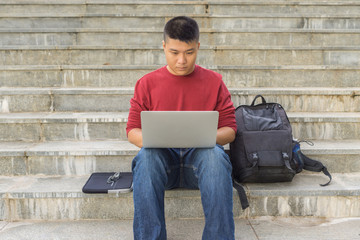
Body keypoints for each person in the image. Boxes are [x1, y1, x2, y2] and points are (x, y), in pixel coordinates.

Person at [126, 16, 237, 240]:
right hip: (162, 166)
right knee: (146, 157)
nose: (181, 61)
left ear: (198, 46)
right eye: (174, 52)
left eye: (189, 52)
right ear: (164, 46)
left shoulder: (214, 81)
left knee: (215, 156)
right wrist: (156, 139)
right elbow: (132, 131)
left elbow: (230, 130)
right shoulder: (146, 83)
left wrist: (204, 138)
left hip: (200, 166)